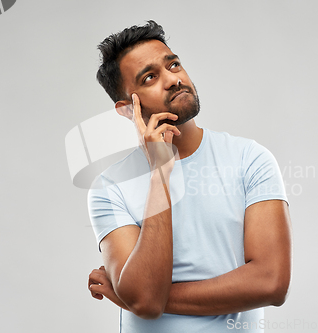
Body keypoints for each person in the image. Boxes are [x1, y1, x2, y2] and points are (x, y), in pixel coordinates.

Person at [87, 20, 292, 333]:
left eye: (174, 64)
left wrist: (138, 298)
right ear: (128, 109)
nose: (172, 79)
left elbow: (271, 283)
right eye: (150, 77)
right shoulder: (109, 187)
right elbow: (144, 299)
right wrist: (160, 172)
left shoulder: (250, 159)